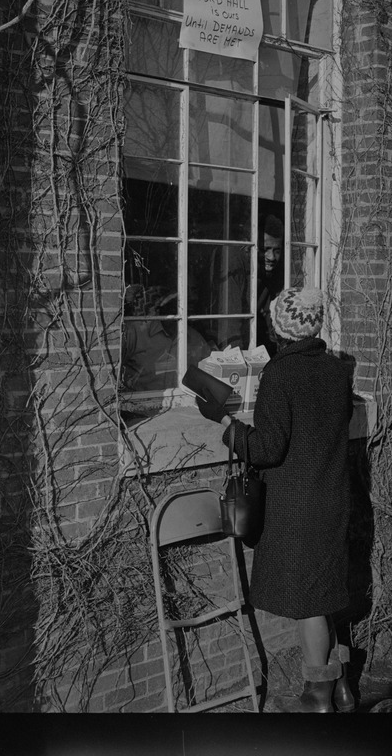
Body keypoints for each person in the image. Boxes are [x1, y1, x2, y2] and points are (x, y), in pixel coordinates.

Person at [197, 287, 355, 712]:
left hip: (296, 507)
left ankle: (317, 693)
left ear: (279, 327)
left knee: (307, 604)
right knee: (322, 598)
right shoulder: (337, 371)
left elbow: (268, 449)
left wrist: (227, 423)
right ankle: (342, 689)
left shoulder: (281, 375)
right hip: (332, 497)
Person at [209, 213, 284, 355]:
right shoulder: (232, 260)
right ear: (248, 245)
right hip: (221, 342)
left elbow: (271, 315)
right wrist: (236, 360)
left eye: (277, 250)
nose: (272, 257)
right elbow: (230, 319)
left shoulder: (266, 270)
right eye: (265, 249)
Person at [122, 290, 212, 392]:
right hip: (142, 401)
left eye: (182, 309)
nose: (177, 313)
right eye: (171, 307)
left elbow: (209, 370)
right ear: (160, 310)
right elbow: (114, 367)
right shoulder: (136, 332)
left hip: (183, 400)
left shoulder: (194, 338)